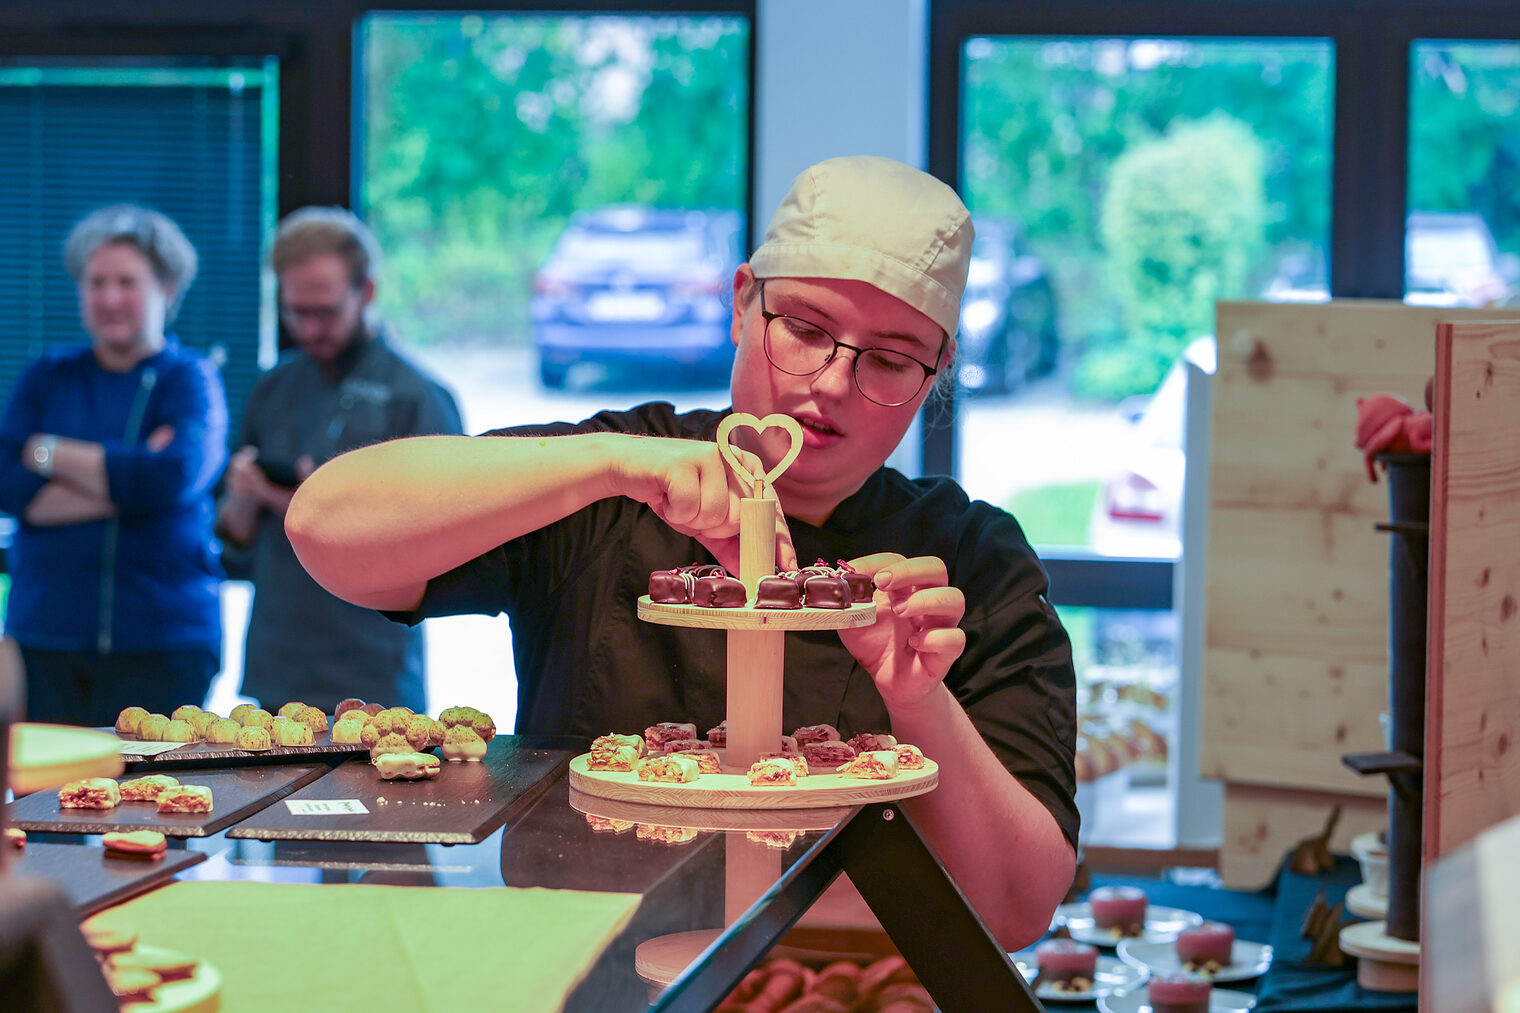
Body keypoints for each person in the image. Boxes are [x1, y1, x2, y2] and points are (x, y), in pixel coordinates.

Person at [286, 157, 1076, 947]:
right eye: (804, 330)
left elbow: (1015, 907)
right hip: (588, 969)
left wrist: (918, 697)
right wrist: (613, 463)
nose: (833, 384)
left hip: (838, 985)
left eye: (892, 361)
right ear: (741, 305)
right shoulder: (614, 482)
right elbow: (324, 529)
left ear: (937, 374)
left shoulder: (969, 559)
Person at [216, 207, 462, 715]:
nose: (308, 328)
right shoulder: (273, 387)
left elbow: (444, 548)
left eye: (324, 311)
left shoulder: (417, 398)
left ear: (365, 293)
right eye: (295, 312)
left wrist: (298, 501)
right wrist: (245, 496)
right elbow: (233, 538)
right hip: (277, 663)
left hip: (372, 670)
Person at [0, 205, 228, 726]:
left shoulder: (189, 379)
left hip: (165, 644)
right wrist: (130, 480)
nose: (109, 298)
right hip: (45, 639)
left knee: (152, 801)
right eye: (95, 282)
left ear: (167, 289)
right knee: (49, 803)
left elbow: (173, 475)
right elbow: (7, 484)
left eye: (128, 282)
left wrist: (48, 453)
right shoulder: (47, 375)